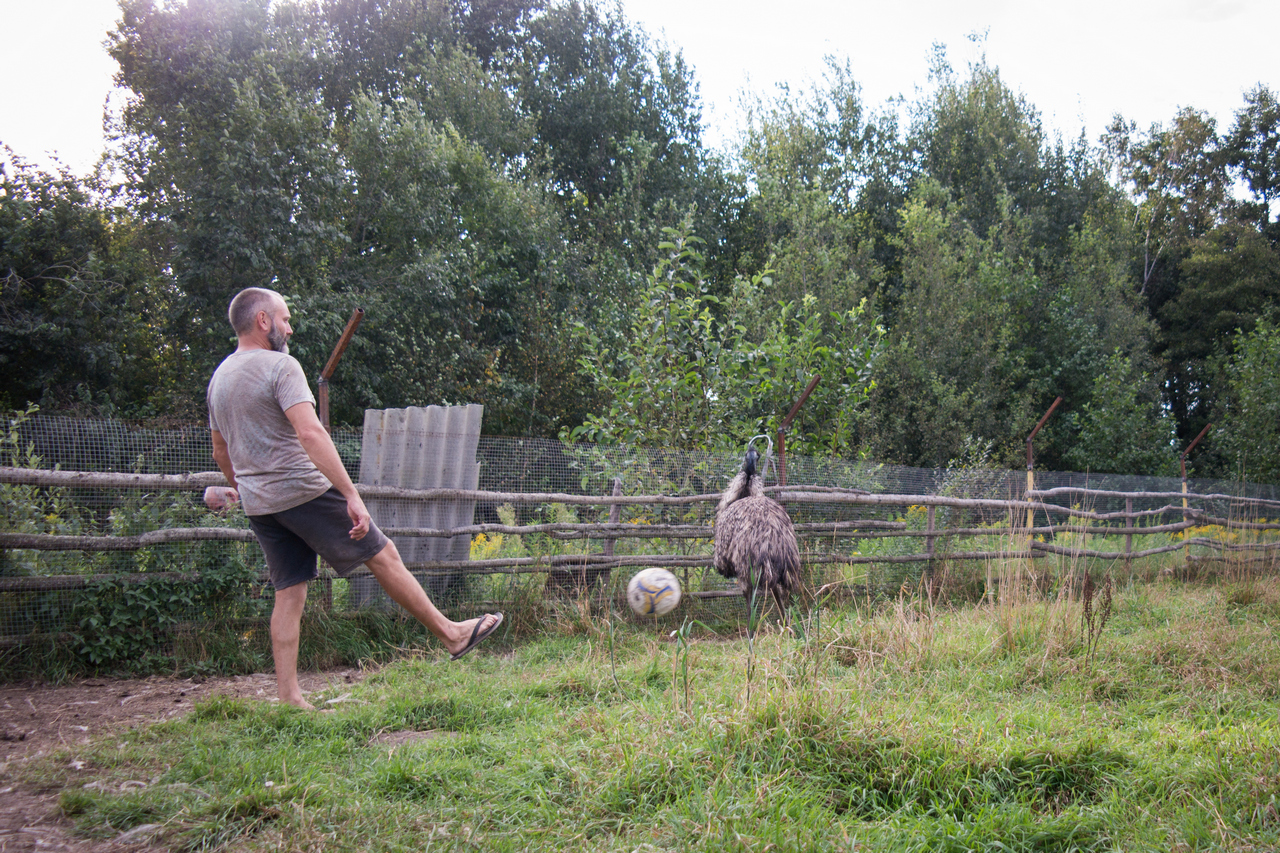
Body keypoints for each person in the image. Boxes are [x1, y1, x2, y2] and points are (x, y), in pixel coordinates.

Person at [207, 287, 502, 708]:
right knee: (383, 554)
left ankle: (290, 698)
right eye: (285, 319)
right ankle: (451, 634)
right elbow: (310, 433)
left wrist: (243, 488)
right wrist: (350, 494)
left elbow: (221, 451)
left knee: (289, 592)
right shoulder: (280, 366)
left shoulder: (220, 378)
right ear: (262, 321)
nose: (290, 327)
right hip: (301, 490)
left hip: (262, 506)